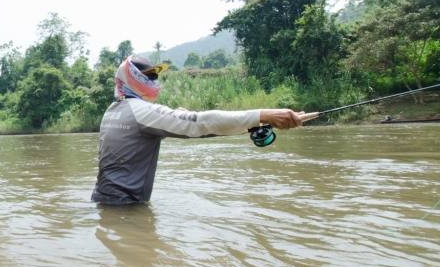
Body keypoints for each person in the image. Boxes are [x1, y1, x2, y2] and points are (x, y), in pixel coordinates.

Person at [91, 55, 306, 205]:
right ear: (132, 77)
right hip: (126, 207)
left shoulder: (113, 111)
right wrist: (263, 115)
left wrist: (251, 124)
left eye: (155, 76)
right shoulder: (141, 112)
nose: (153, 80)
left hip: (104, 202)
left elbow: (187, 126)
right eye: (149, 76)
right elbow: (199, 124)